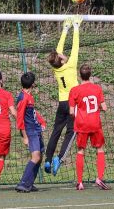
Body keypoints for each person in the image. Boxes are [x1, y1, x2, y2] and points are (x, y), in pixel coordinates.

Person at [44, 16, 82, 176]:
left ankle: (47, 159)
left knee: (56, 131)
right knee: (72, 131)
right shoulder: (71, 65)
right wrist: (76, 27)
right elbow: (75, 47)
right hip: (73, 104)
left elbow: (58, 51)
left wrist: (65, 29)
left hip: (61, 103)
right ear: (61, 59)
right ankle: (59, 158)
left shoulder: (56, 68)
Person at [68, 64, 110, 190]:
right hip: (95, 123)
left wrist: (76, 116)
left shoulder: (74, 90)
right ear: (90, 75)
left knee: (81, 151)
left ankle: (80, 182)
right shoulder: (97, 89)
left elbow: (71, 111)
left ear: (80, 75)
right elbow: (105, 108)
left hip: (81, 124)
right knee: (100, 149)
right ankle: (99, 178)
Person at [15, 72, 46, 193]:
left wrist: (41, 121)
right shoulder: (23, 98)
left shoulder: (29, 96)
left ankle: (29, 183)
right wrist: (24, 136)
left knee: (40, 156)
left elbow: (32, 113)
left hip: (36, 129)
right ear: (33, 84)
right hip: (30, 131)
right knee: (36, 156)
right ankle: (23, 183)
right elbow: (19, 118)